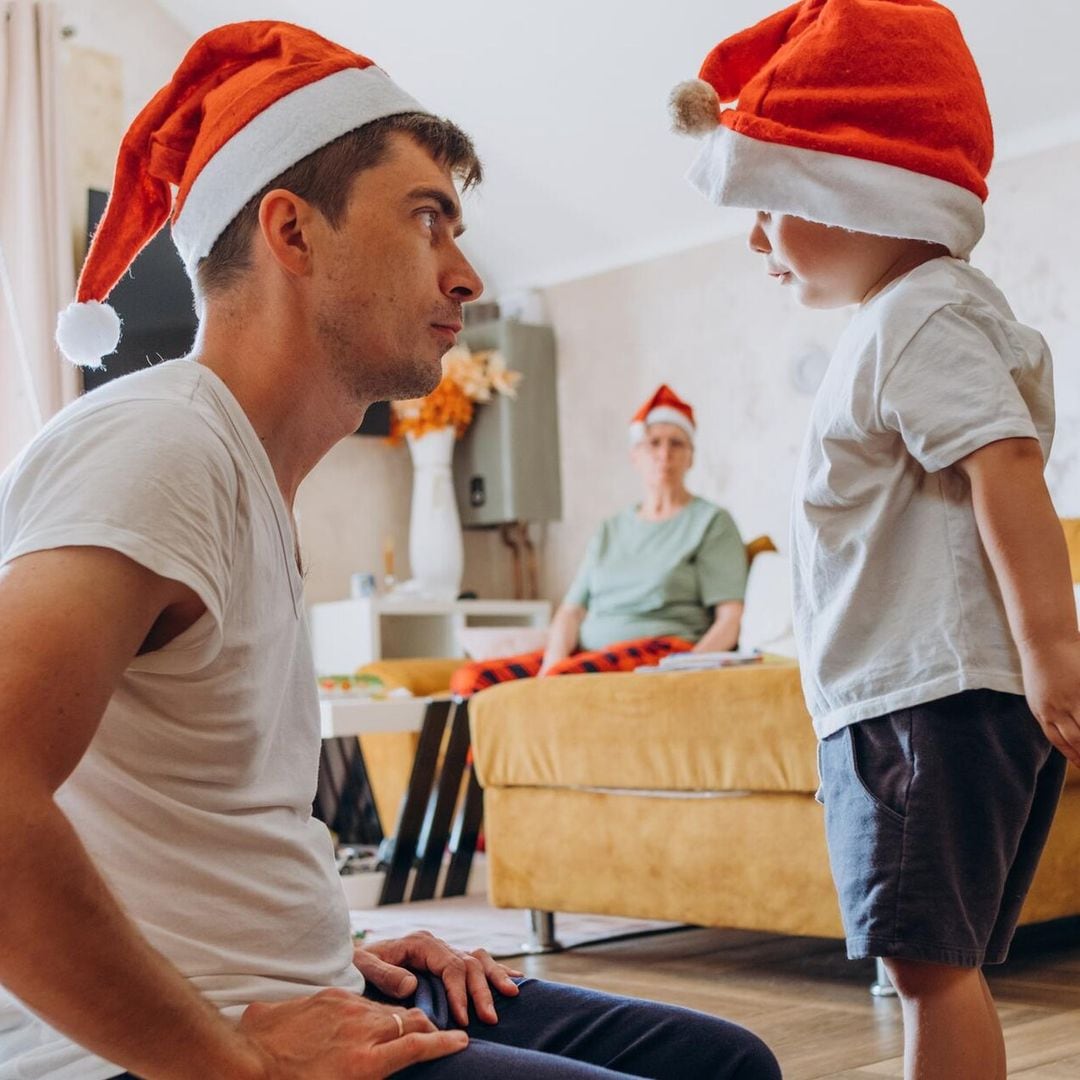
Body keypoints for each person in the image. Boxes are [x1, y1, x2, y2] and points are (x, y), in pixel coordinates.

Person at [0, 20, 781, 1080]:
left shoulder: (244, 476)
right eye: (429, 221)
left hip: (305, 991)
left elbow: (180, 827)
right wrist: (234, 1062)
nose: (466, 276)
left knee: (722, 1064)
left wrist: (342, 952)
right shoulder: (162, 445)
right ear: (292, 232)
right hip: (165, 1053)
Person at [671, 2, 1080, 1078]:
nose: (756, 238)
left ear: (856, 191)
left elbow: (1007, 465)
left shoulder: (919, 315)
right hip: (910, 698)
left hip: (925, 700)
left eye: (769, 205)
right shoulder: (906, 321)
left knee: (924, 964)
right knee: (933, 962)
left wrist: (1052, 648)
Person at [451, 384, 749, 696]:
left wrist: (688, 667)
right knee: (472, 681)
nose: (664, 454)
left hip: (664, 650)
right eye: (653, 443)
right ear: (635, 456)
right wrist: (550, 664)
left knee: (563, 682)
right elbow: (571, 611)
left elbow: (730, 618)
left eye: (677, 444)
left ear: (691, 458)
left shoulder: (710, 522)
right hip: (589, 654)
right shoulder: (611, 528)